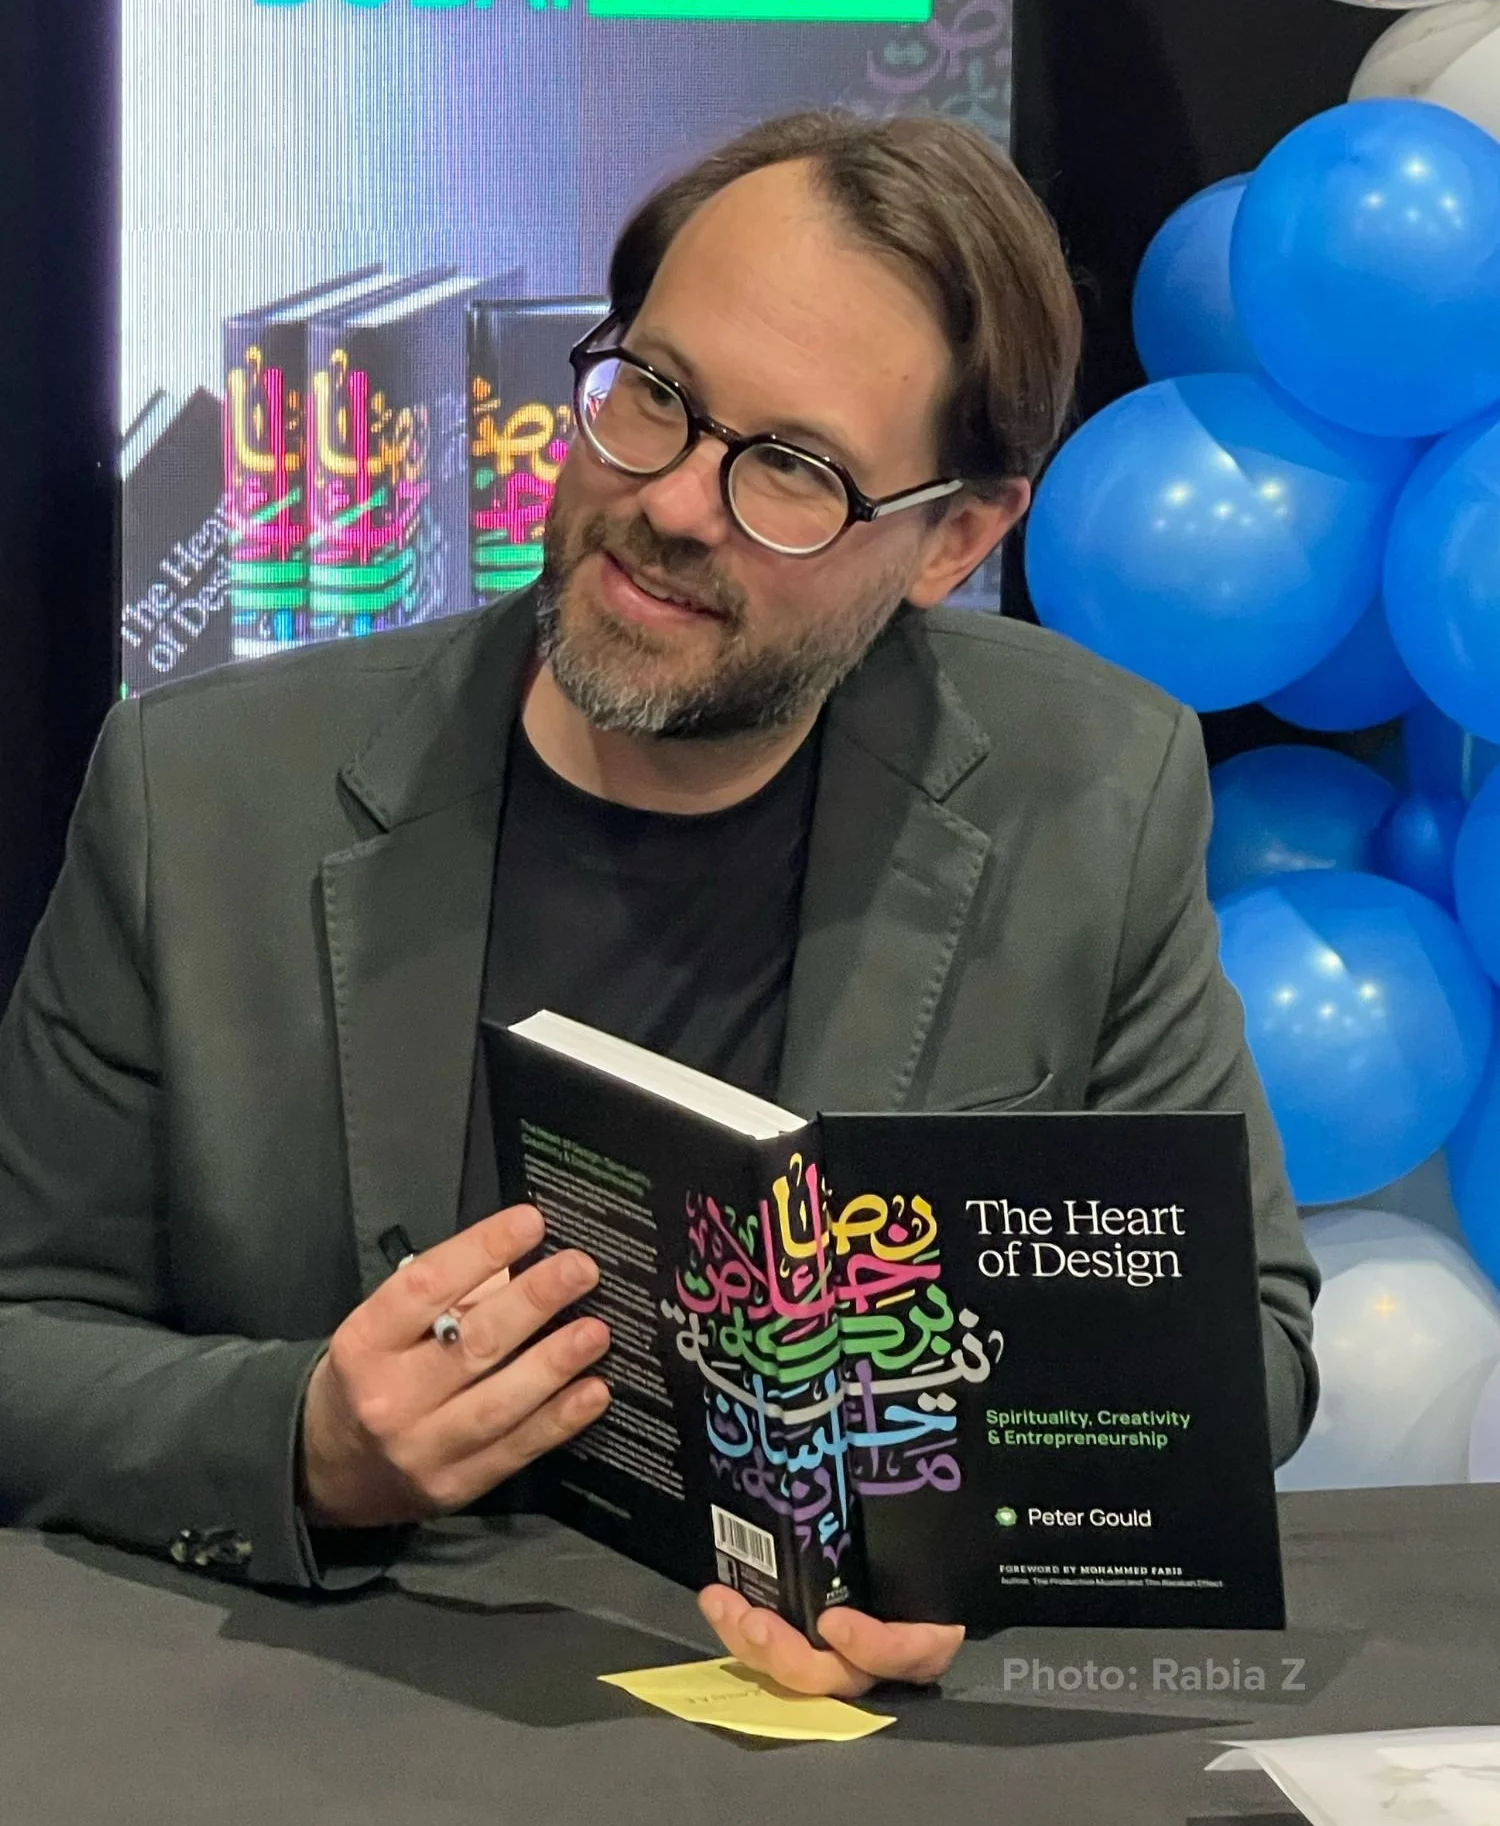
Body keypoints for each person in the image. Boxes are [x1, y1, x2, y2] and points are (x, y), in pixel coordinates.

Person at [0, 110, 1317, 1701]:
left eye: (794, 470)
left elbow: (1242, 1344)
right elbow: (24, 1335)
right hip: (337, 1742)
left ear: (954, 538)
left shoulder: (1090, 787)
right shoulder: (201, 796)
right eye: (657, 398)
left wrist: (972, 1538)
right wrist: (309, 1441)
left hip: (835, 1796)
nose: (677, 504)